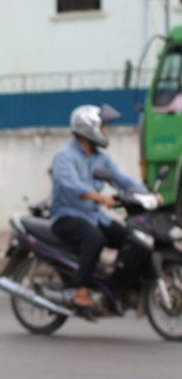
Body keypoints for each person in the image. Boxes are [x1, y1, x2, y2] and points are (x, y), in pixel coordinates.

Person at [49, 104, 148, 308]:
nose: (105, 131)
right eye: (102, 127)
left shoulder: (100, 158)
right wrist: (101, 198)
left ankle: (115, 284)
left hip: (93, 215)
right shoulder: (65, 156)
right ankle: (80, 289)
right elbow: (71, 186)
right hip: (67, 216)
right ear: (89, 128)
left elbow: (123, 179)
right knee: (95, 238)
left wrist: (148, 194)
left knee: (130, 238)